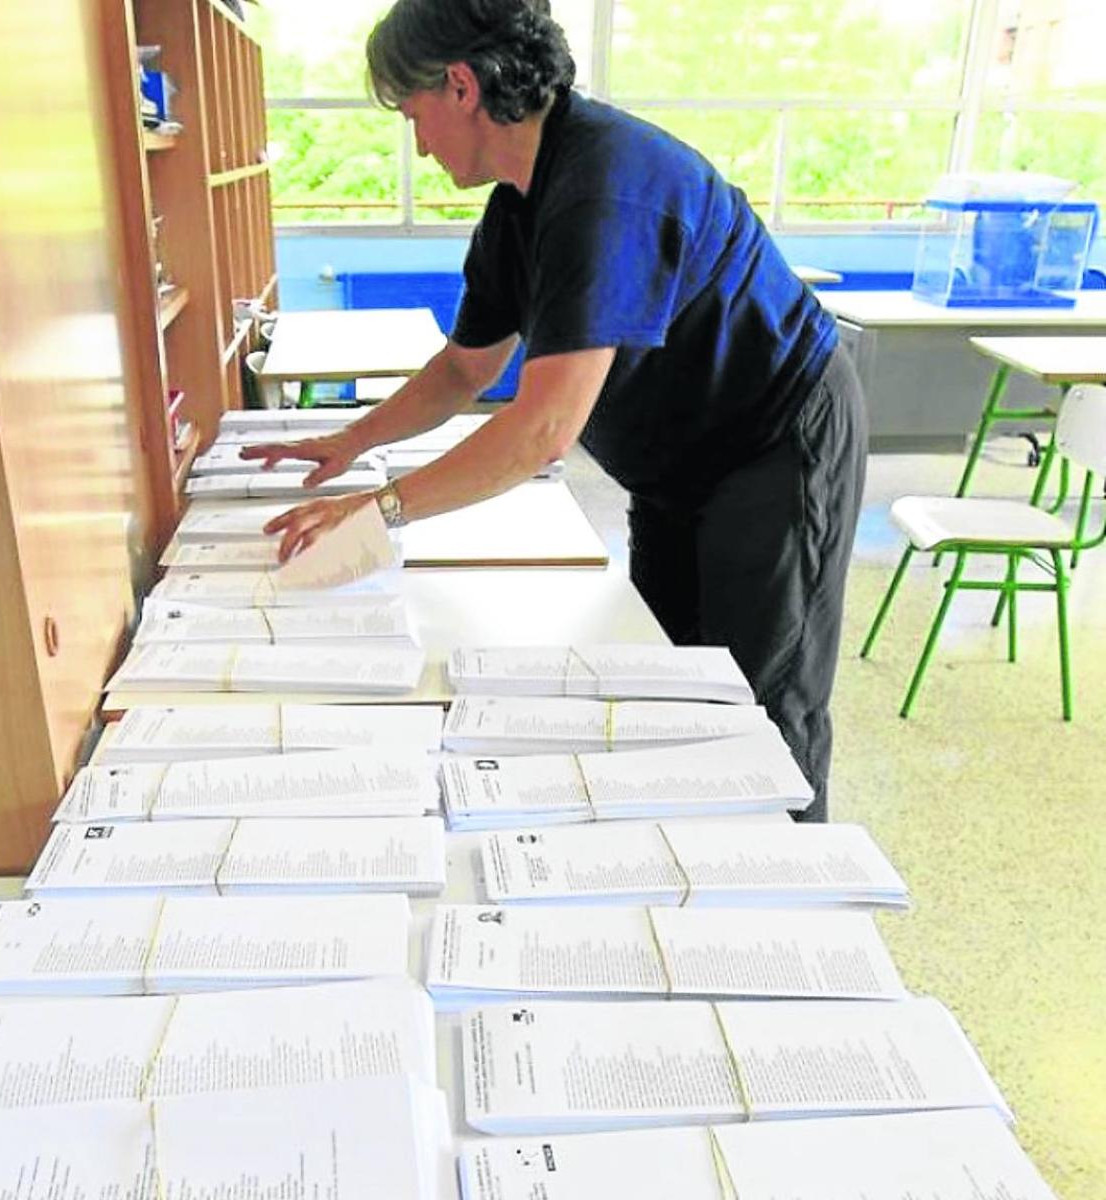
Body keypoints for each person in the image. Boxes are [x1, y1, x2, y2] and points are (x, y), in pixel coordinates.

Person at [241, 0, 867, 822]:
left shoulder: (605, 186)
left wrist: (378, 510)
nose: (418, 143)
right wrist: (350, 442)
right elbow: (465, 369)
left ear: (460, 86)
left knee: (762, 705)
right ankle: (684, 860)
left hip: (775, 444)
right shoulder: (519, 204)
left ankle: (784, 917)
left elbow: (541, 430)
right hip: (678, 464)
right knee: (671, 682)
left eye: (412, 114)